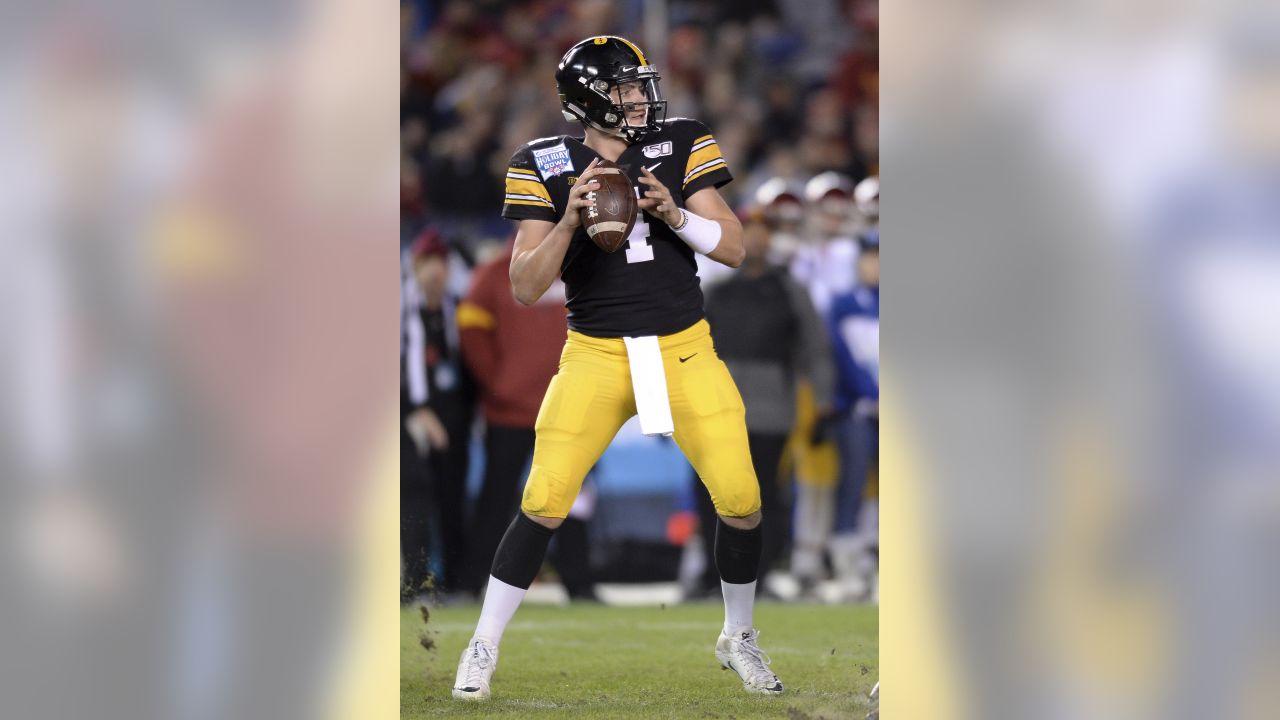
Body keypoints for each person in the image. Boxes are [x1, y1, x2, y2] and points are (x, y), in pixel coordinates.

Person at [453, 35, 783, 699]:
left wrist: (675, 212)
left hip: (683, 345)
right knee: (544, 498)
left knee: (742, 500)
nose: (641, 97)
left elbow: (737, 246)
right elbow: (523, 285)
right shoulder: (543, 161)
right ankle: (481, 644)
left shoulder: (683, 139)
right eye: (627, 88)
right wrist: (568, 224)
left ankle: (738, 636)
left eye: (640, 85)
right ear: (590, 100)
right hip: (597, 352)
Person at [689, 207, 834, 600]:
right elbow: (690, 350)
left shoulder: (790, 291)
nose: (755, 239)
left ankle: (761, 575)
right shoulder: (717, 291)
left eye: (761, 231)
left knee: (766, 493)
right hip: (719, 405)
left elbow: (814, 349)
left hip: (772, 409)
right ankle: (710, 575)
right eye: (747, 231)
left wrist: (823, 403)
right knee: (709, 492)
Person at [456, 240, 597, 601]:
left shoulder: (578, 264)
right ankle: (471, 583)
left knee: (575, 500)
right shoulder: (494, 274)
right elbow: (471, 334)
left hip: (569, 409)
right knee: (498, 499)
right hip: (512, 412)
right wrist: (499, 385)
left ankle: (579, 584)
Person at [403, 229, 476, 597]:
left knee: (452, 499)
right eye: (429, 264)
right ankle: (412, 580)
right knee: (412, 498)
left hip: (453, 416)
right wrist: (417, 410)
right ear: (416, 266)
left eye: (442, 264)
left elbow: (468, 365)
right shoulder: (402, 310)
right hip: (409, 417)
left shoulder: (455, 308)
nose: (437, 272)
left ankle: (454, 579)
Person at [827, 228, 879, 601]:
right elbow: (841, 356)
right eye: (870, 257)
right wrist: (870, 393)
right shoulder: (844, 303)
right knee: (853, 479)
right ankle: (847, 565)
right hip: (858, 410)